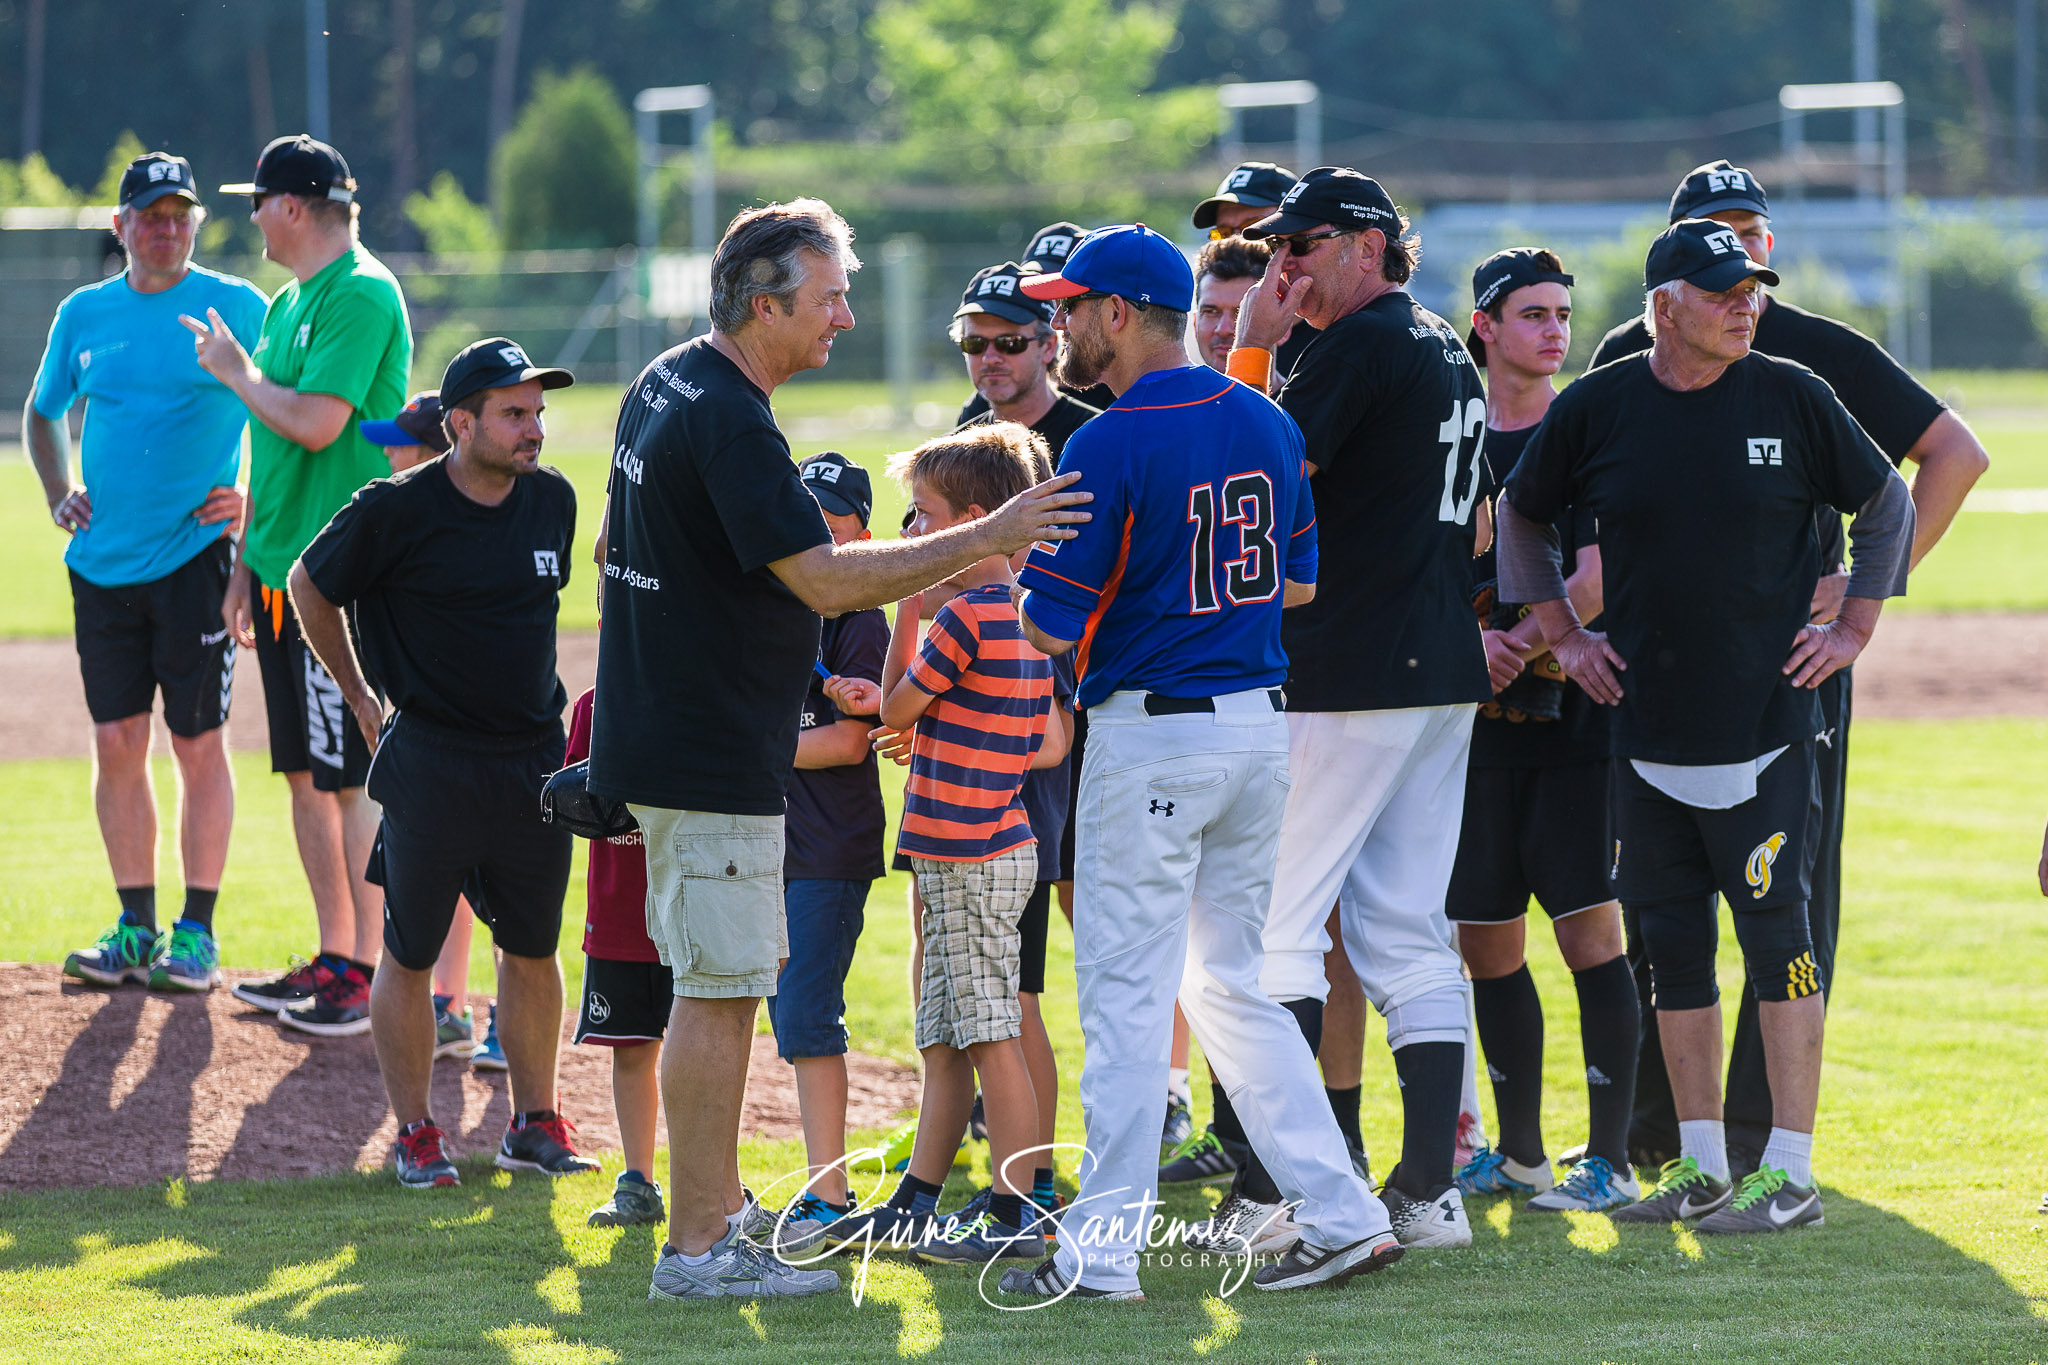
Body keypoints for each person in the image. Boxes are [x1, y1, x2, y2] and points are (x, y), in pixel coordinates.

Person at [586, 197, 1091, 1302]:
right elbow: (821, 577)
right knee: (719, 994)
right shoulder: (725, 414)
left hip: (676, 740)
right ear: (763, 305)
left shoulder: (664, 377)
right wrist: (988, 537)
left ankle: (711, 1216)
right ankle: (699, 1249)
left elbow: (617, 547)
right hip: (709, 754)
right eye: (827, 299)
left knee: (709, 988)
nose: (846, 319)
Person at [1005, 223, 1400, 1300]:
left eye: (1072, 306)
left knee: (1130, 1001)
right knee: (1229, 987)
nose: (1059, 325)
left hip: (1152, 732)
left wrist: (1001, 553)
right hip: (1252, 727)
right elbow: (1303, 587)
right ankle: (1340, 1211)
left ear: (1120, 315)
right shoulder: (1266, 420)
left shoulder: (1106, 441)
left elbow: (1045, 628)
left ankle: (1100, 1258)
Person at [1497, 217, 1914, 1233]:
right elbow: (1521, 515)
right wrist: (1563, 633)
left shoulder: (1792, 394)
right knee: (1671, 952)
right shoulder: (1599, 406)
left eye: (1752, 289)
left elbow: (1886, 500)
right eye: (1722, 289)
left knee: (1781, 946)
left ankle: (1789, 1172)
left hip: (1768, 729)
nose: (1745, 303)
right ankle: (1696, 1166)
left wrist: (1853, 620)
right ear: (1664, 303)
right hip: (1642, 738)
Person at [1584, 159, 1990, 1177]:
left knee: (1787, 905)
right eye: (1718, 231)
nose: (1743, 252)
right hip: (1652, 676)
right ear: (1671, 264)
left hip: (1788, 673)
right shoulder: (1622, 356)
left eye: (1754, 231)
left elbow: (1952, 454)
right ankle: (1664, 1139)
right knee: (1657, 910)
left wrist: (1858, 589)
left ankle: (1770, 1141)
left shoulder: (1809, 352)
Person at [1226, 167, 1489, 1250]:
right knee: (1405, 933)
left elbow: (1252, 471)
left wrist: (1248, 345)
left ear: (1368, 245)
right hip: (1435, 663)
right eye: (1279, 247)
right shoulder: (1433, 341)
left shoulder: (1360, 343)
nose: (1283, 264)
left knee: (1271, 936)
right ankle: (1428, 1194)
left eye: (1304, 243)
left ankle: (1273, 1201)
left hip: (1350, 669)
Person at [288, 337, 593, 1186]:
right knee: (412, 950)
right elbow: (307, 583)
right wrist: (359, 695)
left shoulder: (553, 500)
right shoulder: (394, 507)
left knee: (533, 948)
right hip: (431, 757)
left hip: (532, 759)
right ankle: (416, 1130)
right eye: (514, 413)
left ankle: (533, 1121)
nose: (534, 429)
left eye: (538, 412)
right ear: (462, 423)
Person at [187, 134, 412, 1037]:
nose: (252, 218)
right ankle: (337, 954)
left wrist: (238, 373)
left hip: (340, 580)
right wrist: (246, 560)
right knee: (306, 777)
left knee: (353, 776)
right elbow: (269, 447)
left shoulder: (360, 291)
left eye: (258, 202)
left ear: (291, 205)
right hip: (282, 568)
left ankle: (369, 970)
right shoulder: (288, 302)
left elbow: (318, 426)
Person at [28, 152, 266, 994]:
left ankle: (194, 933)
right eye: (150, 215)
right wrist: (60, 490)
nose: (166, 228)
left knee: (197, 742)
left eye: (180, 215)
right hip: (101, 564)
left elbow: (283, 409)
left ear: (196, 223)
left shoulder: (237, 305)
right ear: (121, 226)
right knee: (117, 740)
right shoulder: (84, 314)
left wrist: (248, 495)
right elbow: (41, 411)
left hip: (195, 558)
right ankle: (135, 925)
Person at [834, 423, 1066, 1268]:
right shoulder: (1023, 611)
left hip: (970, 855)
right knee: (946, 1035)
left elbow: (896, 706)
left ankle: (1012, 1210)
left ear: (976, 518)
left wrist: (903, 604)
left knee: (988, 1034)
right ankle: (918, 1200)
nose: (911, 535)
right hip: (971, 850)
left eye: (923, 517)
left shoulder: (966, 612)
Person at [1446, 249, 1642, 1214]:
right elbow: (1424, 561)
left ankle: (1608, 1156)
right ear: (1485, 326)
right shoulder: (1453, 437)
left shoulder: (1591, 424)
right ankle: (1518, 1153)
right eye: (1532, 314)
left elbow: (1602, 569)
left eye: (1562, 313)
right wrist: (1463, 641)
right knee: (1486, 939)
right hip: (1471, 731)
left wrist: (1517, 643)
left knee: (1590, 933)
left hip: (1576, 718)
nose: (1554, 330)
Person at [357, 391, 499, 1065]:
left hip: (474, 746)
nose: (389, 452)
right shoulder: (404, 518)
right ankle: (453, 1006)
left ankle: (480, 1013)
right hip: (433, 745)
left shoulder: (477, 526)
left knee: (496, 887)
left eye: (401, 443)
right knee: (460, 881)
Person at [769, 452, 889, 1232]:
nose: (817, 532)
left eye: (833, 522)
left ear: (864, 534)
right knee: (779, 1012)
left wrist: (745, 745)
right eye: (805, 515)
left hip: (827, 848)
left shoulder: (860, 612)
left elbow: (849, 741)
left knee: (808, 1015)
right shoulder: (778, 599)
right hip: (772, 842)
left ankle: (831, 1196)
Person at [565, 683, 666, 1226]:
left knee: (701, 1045)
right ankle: (639, 1180)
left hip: (687, 899)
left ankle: (718, 1181)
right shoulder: (595, 704)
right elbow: (575, 801)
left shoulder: (690, 688)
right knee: (632, 1048)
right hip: (619, 908)